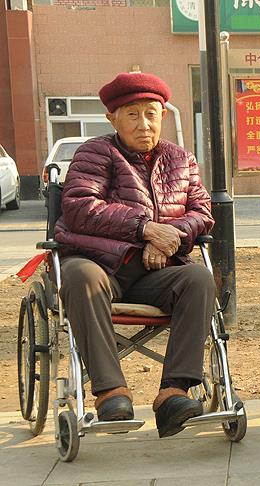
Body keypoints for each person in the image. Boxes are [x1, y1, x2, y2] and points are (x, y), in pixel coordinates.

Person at [55, 72, 215, 438]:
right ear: (112, 118)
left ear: (163, 116)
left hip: (156, 273)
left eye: (151, 114)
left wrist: (169, 236)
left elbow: (202, 212)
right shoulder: (95, 153)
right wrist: (144, 230)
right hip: (100, 265)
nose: (144, 124)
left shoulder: (181, 159)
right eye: (132, 114)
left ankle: (174, 392)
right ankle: (111, 393)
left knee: (198, 279)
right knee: (79, 277)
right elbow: (80, 206)